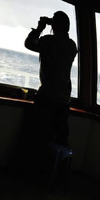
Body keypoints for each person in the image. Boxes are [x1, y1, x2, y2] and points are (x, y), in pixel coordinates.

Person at [23, 11, 78, 146]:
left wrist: (40, 28)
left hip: (47, 97)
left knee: (36, 138)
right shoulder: (72, 45)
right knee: (59, 139)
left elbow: (29, 43)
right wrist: (52, 22)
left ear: (54, 25)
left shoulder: (48, 41)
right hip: (64, 100)